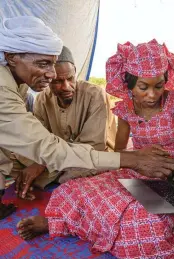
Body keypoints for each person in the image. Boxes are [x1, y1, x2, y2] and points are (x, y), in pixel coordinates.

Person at [17, 39, 174, 259]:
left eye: (159, 86)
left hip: (170, 173)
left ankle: (71, 224)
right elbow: (120, 154)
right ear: (130, 85)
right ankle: (58, 222)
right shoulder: (126, 108)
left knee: (141, 219)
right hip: (135, 168)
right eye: (143, 87)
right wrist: (130, 171)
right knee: (74, 190)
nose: (152, 95)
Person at [0, 16, 174, 220]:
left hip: (81, 158)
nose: (52, 75)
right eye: (43, 64)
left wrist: (133, 160)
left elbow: (90, 145)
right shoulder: (19, 93)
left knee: (79, 177)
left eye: (54, 67)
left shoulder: (89, 94)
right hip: (65, 157)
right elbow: (43, 146)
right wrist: (133, 159)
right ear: (10, 57)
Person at [10, 46, 117, 189]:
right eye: (58, 81)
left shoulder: (95, 94)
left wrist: (43, 164)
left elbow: (94, 144)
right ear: (48, 79)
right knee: (11, 158)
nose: (66, 86)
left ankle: (45, 177)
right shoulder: (42, 99)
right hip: (54, 157)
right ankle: (51, 176)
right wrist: (44, 161)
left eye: (70, 79)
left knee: (84, 168)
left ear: (75, 73)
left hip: (89, 156)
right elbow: (38, 141)